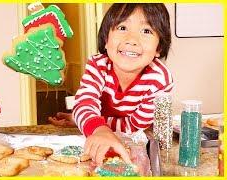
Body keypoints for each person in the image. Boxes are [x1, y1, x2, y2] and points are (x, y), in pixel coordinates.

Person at [50, 3, 173, 166]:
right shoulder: (97, 65)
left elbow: (135, 127)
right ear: (106, 40)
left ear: (159, 48)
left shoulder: (160, 80)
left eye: (146, 31)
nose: (131, 40)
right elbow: (84, 102)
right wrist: (93, 124)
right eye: (122, 28)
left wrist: (94, 124)